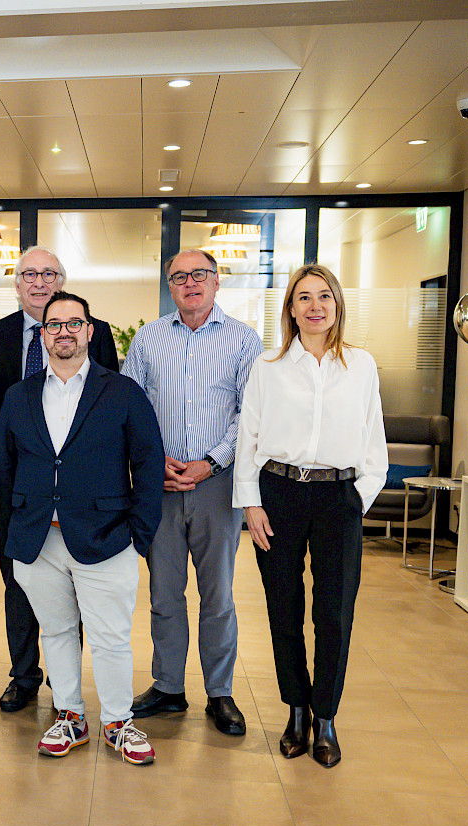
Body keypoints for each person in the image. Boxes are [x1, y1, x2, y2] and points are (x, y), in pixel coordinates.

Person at [0, 291, 164, 765]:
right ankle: (70, 715)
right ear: (43, 334)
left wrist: (138, 537)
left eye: (74, 323)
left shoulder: (123, 391)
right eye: (54, 324)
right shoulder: (19, 395)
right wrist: (13, 532)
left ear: (90, 331)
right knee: (57, 632)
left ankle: (118, 721)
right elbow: (4, 469)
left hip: (107, 537)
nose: (64, 332)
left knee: (110, 636)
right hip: (38, 540)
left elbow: (148, 465)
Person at [235, 263, 386, 768]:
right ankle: (296, 710)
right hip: (278, 493)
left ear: (337, 304)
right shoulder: (269, 365)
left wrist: (358, 498)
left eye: (324, 296)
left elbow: (374, 438)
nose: (315, 306)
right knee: (283, 607)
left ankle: (326, 717)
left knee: (334, 612)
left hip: (338, 496)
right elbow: (248, 436)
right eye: (304, 297)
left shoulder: (360, 365)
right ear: (291, 308)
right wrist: (251, 503)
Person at [122, 249, 263, 736]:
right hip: (159, 485)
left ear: (217, 281)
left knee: (217, 594)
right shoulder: (149, 338)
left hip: (216, 485)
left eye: (199, 274)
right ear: (170, 286)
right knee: (164, 592)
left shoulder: (243, 340)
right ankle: (168, 687)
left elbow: (252, 413)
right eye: (179, 276)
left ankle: (220, 692)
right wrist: (153, 459)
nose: (189, 283)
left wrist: (212, 462)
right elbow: (130, 404)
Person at [0, 245, 119, 713]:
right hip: (18, 484)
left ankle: (68, 684)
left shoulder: (93, 331)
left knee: (74, 586)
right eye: (29, 274)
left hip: (78, 489)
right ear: (17, 283)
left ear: (60, 282)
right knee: (18, 580)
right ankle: (23, 675)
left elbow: (106, 407)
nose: (38, 282)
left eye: (48, 274)